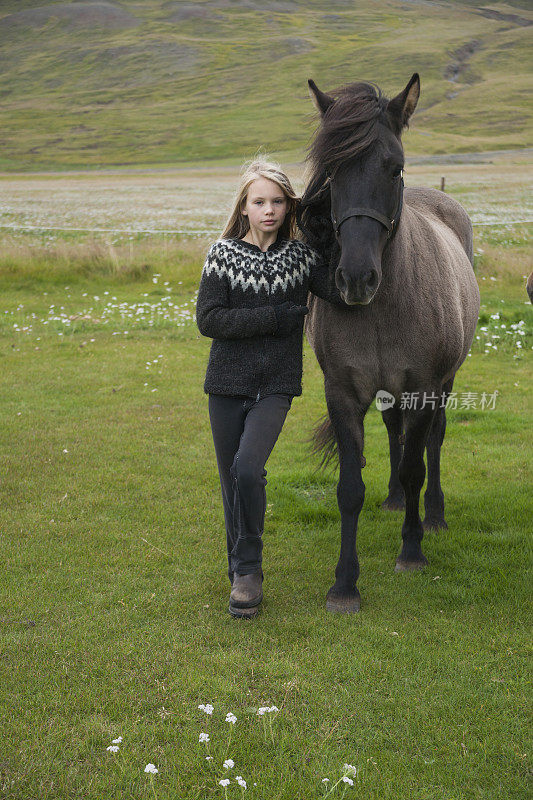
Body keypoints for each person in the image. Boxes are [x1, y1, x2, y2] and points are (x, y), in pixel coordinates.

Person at [195, 158, 346, 618]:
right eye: (259, 201)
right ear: (244, 206)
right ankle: (242, 570)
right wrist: (276, 317)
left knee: (246, 468)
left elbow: (343, 290)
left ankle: (249, 567)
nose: (269, 210)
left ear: (288, 207)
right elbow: (209, 320)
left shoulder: (302, 258)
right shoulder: (222, 255)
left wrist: (341, 234)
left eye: (278, 201)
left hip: (276, 386)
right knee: (230, 483)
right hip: (226, 384)